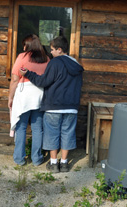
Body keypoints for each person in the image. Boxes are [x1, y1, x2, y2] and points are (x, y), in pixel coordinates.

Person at [20, 36, 84, 173]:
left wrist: (28, 74)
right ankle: (65, 163)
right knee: (67, 133)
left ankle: (54, 163)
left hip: (54, 106)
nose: (51, 52)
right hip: (71, 107)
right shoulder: (77, 65)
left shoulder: (55, 63)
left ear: (60, 50)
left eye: (53, 49)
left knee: (52, 134)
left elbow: (43, 82)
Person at [9, 34, 50, 166]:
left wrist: (10, 97)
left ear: (27, 45)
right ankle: (37, 159)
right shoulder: (46, 59)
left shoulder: (22, 57)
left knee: (21, 128)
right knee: (38, 129)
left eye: (24, 44)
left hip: (24, 96)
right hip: (40, 95)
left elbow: (15, 79)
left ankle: (19, 159)